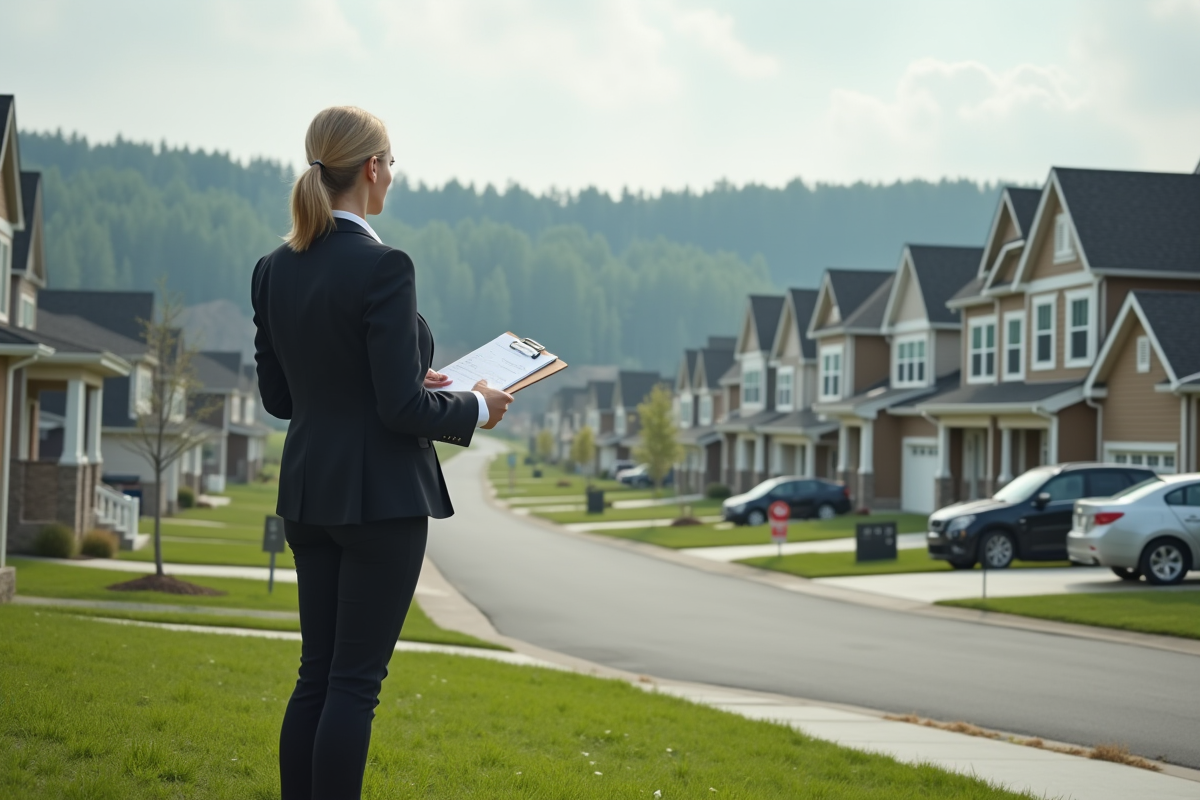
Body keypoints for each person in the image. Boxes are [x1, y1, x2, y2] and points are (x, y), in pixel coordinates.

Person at [250, 105, 514, 800]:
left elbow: (283, 397)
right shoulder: (386, 265)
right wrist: (477, 406)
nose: (392, 177)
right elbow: (399, 411)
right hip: (380, 500)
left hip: (309, 492)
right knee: (354, 685)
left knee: (316, 676)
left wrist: (403, 380)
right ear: (371, 169)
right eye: (391, 164)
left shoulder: (273, 268)